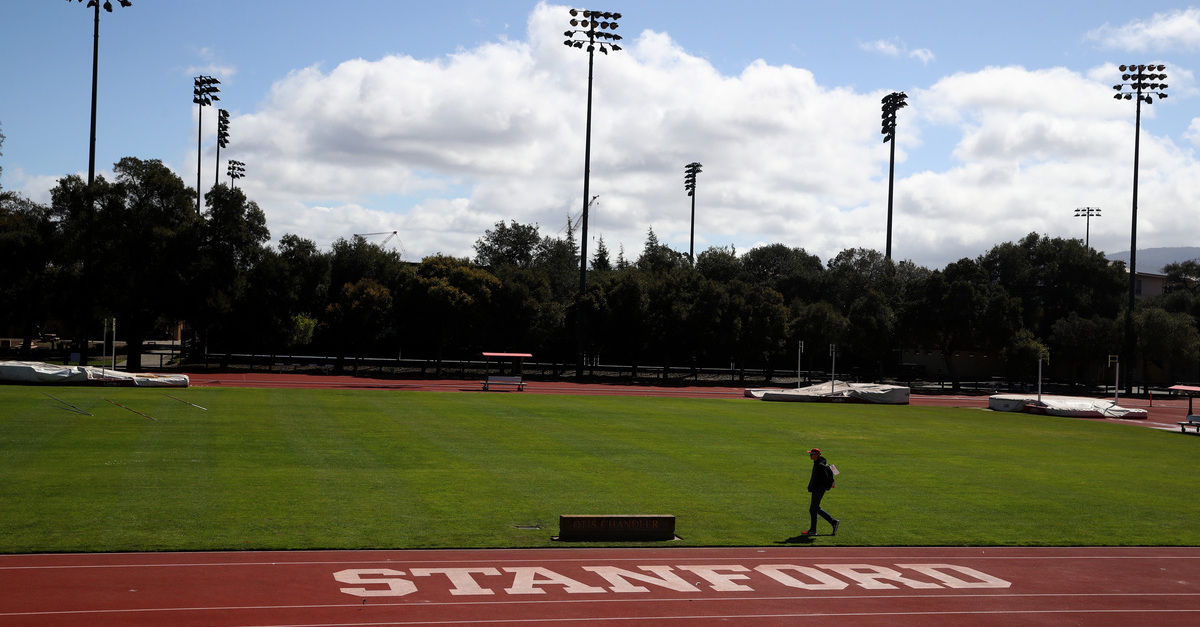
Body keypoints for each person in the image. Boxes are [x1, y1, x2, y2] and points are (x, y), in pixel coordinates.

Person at [802, 447, 839, 536]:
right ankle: (832, 522)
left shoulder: (820, 465)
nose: (810, 456)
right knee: (815, 508)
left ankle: (814, 530)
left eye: (812, 454)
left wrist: (824, 486)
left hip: (818, 490)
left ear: (816, 455)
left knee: (813, 509)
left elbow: (826, 477)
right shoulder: (818, 463)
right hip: (817, 489)